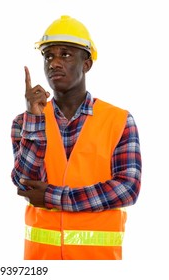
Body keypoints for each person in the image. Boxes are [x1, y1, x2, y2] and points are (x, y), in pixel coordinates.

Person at [10, 15, 142, 260]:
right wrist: (35, 119)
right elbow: (26, 184)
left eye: (66, 55)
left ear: (87, 64)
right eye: (48, 56)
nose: (54, 63)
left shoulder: (120, 120)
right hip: (41, 261)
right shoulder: (25, 121)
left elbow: (127, 189)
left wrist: (54, 197)